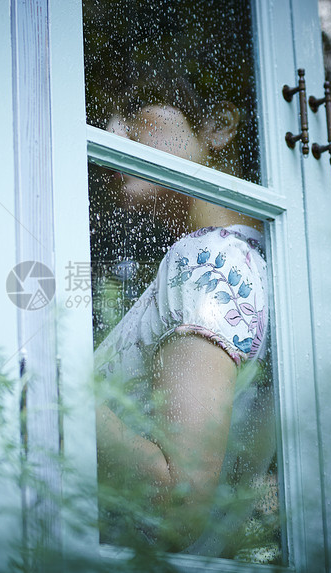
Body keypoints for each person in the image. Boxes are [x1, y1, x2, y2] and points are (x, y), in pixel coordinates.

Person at [91, 81, 270, 552]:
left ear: (219, 125)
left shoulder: (209, 259)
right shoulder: (236, 255)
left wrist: (50, 387)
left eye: (133, 108)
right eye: (106, 117)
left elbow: (178, 502)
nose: (111, 132)